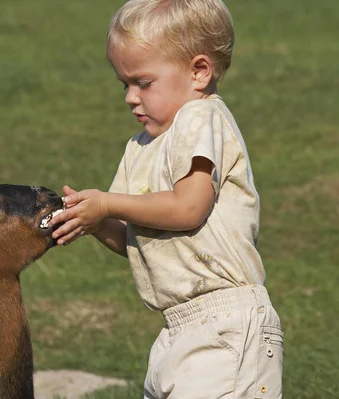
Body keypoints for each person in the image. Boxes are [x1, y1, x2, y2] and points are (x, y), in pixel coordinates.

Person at [49, 0, 284, 397]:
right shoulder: (140, 148)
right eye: (123, 83)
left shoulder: (201, 117)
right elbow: (135, 240)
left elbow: (188, 208)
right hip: (177, 327)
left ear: (199, 71)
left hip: (226, 323)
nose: (129, 97)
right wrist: (93, 221)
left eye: (143, 83)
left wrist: (108, 204)